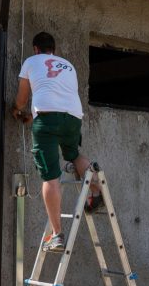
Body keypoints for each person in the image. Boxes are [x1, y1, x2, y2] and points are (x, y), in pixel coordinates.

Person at [12, 31, 103, 252]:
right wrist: (36, 115)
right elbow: (57, 96)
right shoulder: (68, 65)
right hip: (72, 118)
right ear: (53, 49)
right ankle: (96, 190)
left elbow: (23, 99)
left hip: (47, 120)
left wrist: (17, 110)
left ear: (36, 49)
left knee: (51, 177)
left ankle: (57, 235)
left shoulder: (31, 61)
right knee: (73, 154)